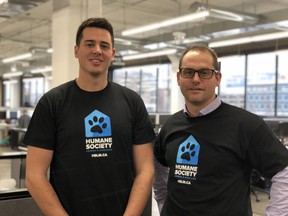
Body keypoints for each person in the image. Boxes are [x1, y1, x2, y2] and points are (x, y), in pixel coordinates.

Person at [24, 17, 155, 216]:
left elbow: (145, 170)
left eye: (104, 45)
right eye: (89, 44)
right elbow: (34, 175)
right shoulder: (52, 103)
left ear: (113, 53)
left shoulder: (132, 102)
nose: (97, 50)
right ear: (76, 51)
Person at [153, 45, 288, 216]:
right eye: (188, 72)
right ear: (179, 78)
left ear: (217, 78)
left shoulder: (246, 124)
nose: (195, 79)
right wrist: (164, 203)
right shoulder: (170, 125)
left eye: (204, 72)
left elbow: (284, 172)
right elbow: (158, 165)